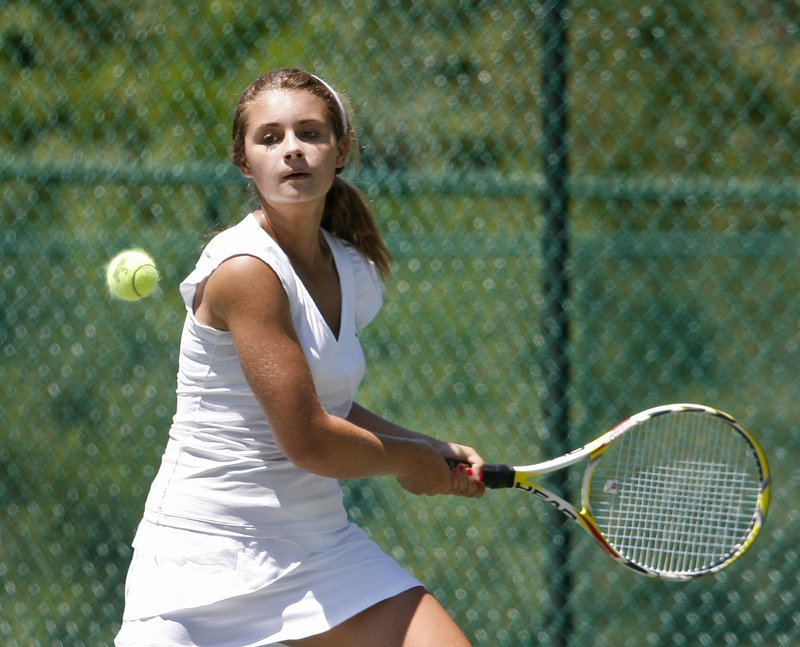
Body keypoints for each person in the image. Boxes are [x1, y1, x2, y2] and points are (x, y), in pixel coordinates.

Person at [114, 68, 485, 647]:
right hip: (199, 565)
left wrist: (426, 446)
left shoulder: (350, 266)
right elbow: (308, 437)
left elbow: (326, 402)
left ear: (340, 152)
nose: (291, 150)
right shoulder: (245, 270)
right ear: (245, 162)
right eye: (270, 138)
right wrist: (410, 461)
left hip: (319, 550)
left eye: (309, 133)